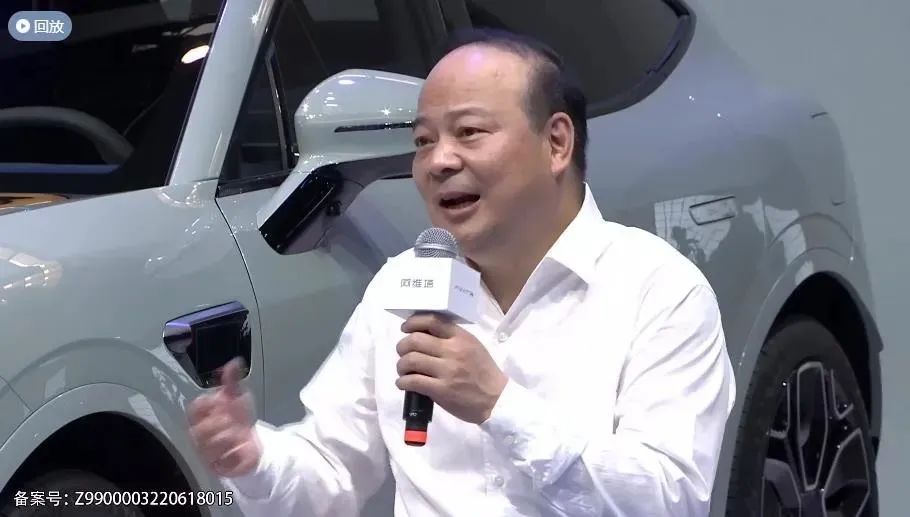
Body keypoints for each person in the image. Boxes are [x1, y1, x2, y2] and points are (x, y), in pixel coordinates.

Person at [187, 28, 737, 516]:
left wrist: (500, 405)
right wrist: (254, 460)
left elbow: (671, 501)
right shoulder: (401, 288)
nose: (438, 161)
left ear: (556, 143)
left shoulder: (659, 290)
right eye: (423, 141)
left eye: (469, 132)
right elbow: (331, 472)